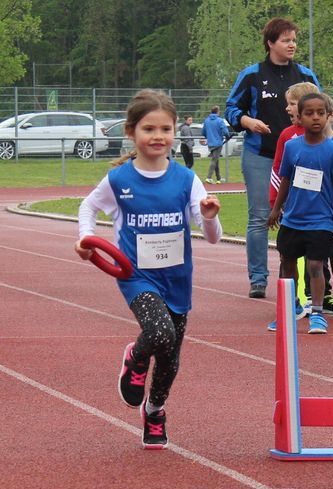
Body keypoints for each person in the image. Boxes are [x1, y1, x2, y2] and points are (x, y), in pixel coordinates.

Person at [74, 90, 222, 449]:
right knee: (158, 333)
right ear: (131, 132)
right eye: (149, 129)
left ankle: (154, 410)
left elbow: (213, 237)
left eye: (165, 129)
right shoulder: (119, 180)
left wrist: (208, 217)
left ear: (175, 132)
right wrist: (85, 238)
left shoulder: (187, 179)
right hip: (136, 275)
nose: (158, 136)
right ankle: (136, 358)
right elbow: (88, 207)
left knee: (170, 357)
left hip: (177, 277)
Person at [226, 17, 320, 299]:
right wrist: (247, 121)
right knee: (260, 216)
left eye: (294, 40)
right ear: (270, 43)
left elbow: (321, 108)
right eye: (286, 40)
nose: (292, 45)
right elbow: (231, 108)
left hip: (301, 158)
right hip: (261, 155)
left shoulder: (305, 76)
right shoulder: (252, 75)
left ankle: (303, 282)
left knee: (303, 217)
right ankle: (258, 278)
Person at [267, 93, 333, 334]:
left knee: (315, 265)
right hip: (292, 219)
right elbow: (285, 180)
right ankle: (290, 308)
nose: (315, 118)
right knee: (287, 264)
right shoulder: (292, 147)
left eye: (320, 113)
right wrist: (276, 209)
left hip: (320, 221)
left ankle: (318, 313)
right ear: (299, 118)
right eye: (309, 113)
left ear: (328, 116)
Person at [202, 106, 229, 184]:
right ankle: (208, 177)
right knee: (214, 160)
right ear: (217, 111)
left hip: (210, 143)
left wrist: (209, 137)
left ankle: (218, 178)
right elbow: (225, 131)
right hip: (218, 143)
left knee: (216, 160)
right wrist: (227, 136)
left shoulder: (206, 120)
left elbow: (203, 132)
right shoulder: (220, 120)